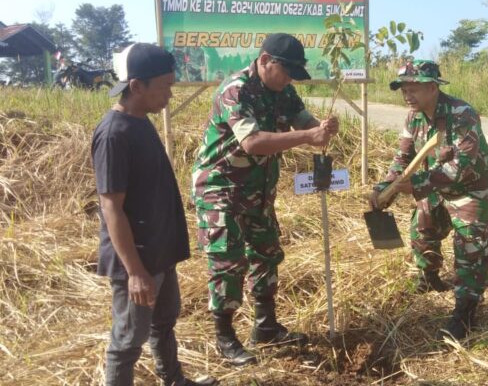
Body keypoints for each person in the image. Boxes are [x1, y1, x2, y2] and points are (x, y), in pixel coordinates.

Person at [191, 33, 339, 366]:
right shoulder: (236, 90)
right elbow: (253, 142)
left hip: (257, 189)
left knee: (267, 252)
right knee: (227, 262)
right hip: (220, 187)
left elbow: (303, 119)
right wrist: (305, 137)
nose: (288, 79)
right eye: (285, 71)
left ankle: (266, 326)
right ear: (264, 60)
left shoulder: (283, 90)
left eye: (292, 74)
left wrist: (322, 128)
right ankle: (226, 339)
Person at [91, 43, 217, 386]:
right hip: (138, 260)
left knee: (163, 323)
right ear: (136, 86)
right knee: (127, 341)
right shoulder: (114, 134)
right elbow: (111, 207)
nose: (170, 95)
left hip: (158, 253)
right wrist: (134, 272)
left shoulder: (140, 121)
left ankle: (174, 380)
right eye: (165, 86)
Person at [369, 60, 488, 341]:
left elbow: (461, 167)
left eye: (412, 88)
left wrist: (414, 185)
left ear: (432, 87)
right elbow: (402, 158)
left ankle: (465, 312)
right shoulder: (413, 118)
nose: (406, 95)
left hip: (472, 189)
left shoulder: (462, 114)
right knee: (422, 229)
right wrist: (385, 186)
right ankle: (429, 279)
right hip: (437, 187)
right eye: (403, 89)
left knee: (470, 248)